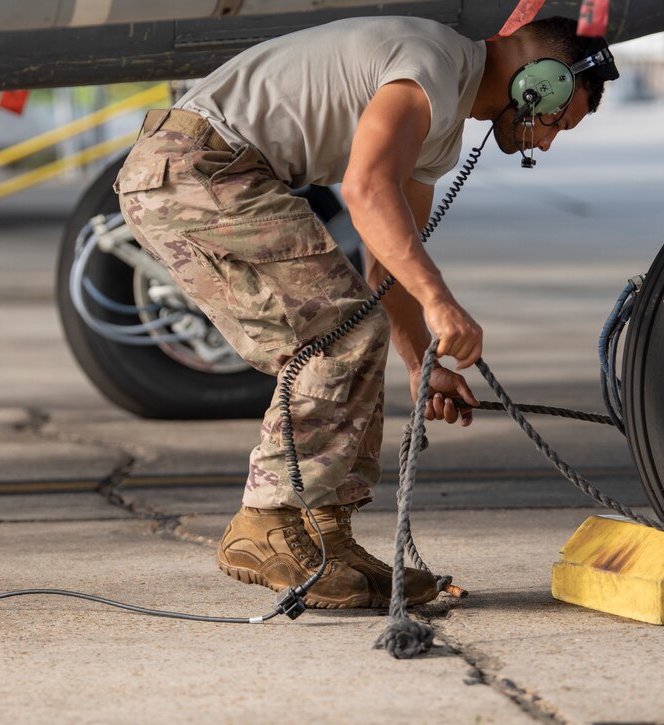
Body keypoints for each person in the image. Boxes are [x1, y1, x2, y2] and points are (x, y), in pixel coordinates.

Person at [115, 14, 618, 609]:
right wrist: (440, 301)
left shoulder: (440, 126)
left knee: (355, 324)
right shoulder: (431, 65)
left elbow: (388, 264)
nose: (547, 140)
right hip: (196, 166)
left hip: (212, 173)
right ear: (543, 83)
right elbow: (366, 188)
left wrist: (418, 365)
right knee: (338, 329)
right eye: (558, 119)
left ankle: (324, 531)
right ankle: (267, 520)